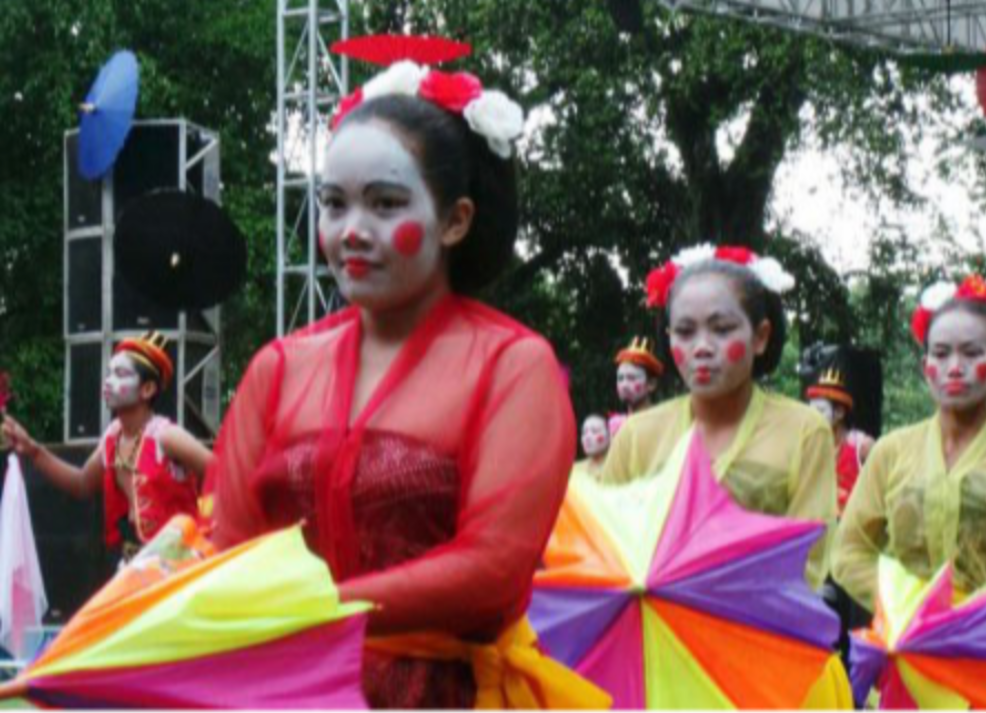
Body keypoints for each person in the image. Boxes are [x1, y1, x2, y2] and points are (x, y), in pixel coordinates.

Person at [205, 61, 601, 712]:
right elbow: (228, 547)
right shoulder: (277, 367)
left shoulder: (513, 366)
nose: (351, 230)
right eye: (334, 203)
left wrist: (315, 608)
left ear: (455, 221)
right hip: (281, 690)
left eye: (385, 203)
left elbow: (491, 572)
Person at [599, 244, 847, 709]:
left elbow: (810, 557)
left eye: (722, 327)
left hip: (768, 654)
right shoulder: (639, 435)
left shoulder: (803, 431)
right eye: (685, 331)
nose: (702, 347)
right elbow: (604, 545)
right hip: (660, 660)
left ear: (760, 336)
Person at [832, 275, 986, 712]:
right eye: (941, 354)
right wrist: (908, 609)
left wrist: (963, 617)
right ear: (926, 369)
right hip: (909, 651)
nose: (954, 366)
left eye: (972, 353)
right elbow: (848, 551)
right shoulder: (891, 451)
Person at [3, 333, 211, 561]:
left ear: (148, 389)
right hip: (134, 558)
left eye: (121, 374)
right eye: (109, 373)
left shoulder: (167, 437)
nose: (109, 382)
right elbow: (82, 484)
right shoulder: (113, 437)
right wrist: (33, 450)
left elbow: (222, 473)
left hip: (178, 561)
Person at [804, 366, 875, 512]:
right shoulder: (809, 448)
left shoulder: (862, 446)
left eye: (820, 410)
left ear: (839, 412)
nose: (812, 417)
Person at [614, 335, 663, 414]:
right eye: (620, 378)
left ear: (651, 384)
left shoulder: (663, 421)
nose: (624, 385)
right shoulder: (617, 424)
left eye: (631, 378)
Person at [572, 414, 611, 480]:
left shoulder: (618, 467)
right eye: (584, 432)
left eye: (594, 431)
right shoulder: (575, 470)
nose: (587, 437)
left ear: (609, 435)